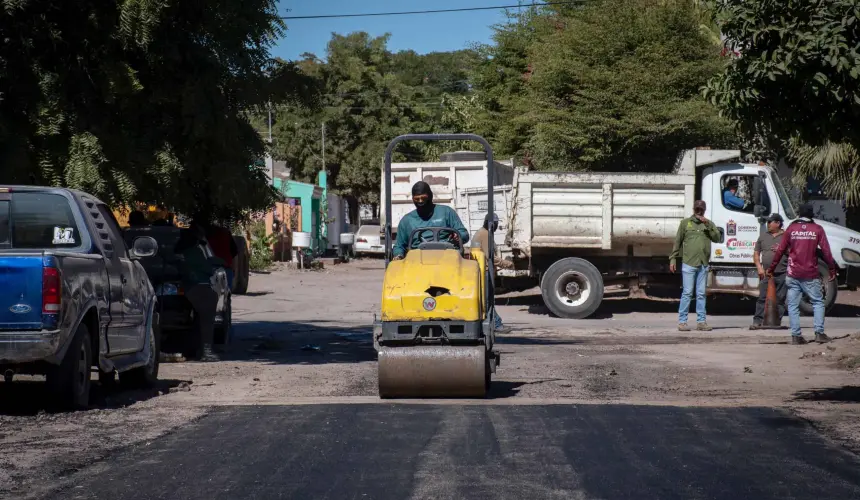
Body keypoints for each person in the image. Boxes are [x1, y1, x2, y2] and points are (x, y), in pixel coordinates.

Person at [767, 203, 837, 344]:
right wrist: (831, 268)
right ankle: (819, 333)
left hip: (792, 273)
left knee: (793, 305)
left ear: (799, 214)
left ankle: (796, 336)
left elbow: (780, 250)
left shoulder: (791, 228)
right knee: (818, 302)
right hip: (810, 274)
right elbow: (826, 251)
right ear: (811, 214)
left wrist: (772, 268)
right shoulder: (817, 229)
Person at [669, 200, 722, 331]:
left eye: (701, 210)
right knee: (687, 293)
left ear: (704, 210)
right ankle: (682, 322)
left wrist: (708, 224)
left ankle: (701, 322)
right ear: (693, 210)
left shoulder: (709, 224)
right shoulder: (685, 223)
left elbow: (717, 238)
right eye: (697, 209)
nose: (699, 212)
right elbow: (677, 242)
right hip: (689, 263)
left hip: (703, 263)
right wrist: (673, 259)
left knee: (701, 294)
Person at [175, 221, 224, 360]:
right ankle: (206, 352)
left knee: (199, 321)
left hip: (191, 287)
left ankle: (197, 350)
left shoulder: (182, 249)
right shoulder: (195, 249)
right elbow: (206, 267)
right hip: (200, 286)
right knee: (207, 319)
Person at [392, 181, 469, 259]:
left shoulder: (446, 212)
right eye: (417, 199)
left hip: (448, 257)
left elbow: (464, 234)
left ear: (430, 196)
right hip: (417, 261)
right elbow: (399, 246)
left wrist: (458, 236)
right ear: (413, 199)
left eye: (423, 198)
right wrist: (398, 255)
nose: (420, 201)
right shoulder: (407, 221)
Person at [472, 213, 513, 333]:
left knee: (487, 300)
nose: (496, 226)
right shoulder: (485, 235)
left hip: (484, 271)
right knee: (488, 300)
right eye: (495, 224)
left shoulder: (484, 233)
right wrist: (507, 264)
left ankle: (493, 323)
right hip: (484, 272)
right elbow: (490, 257)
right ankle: (496, 324)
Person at [750, 213, 788, 329]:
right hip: (766, 273)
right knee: (762, 298)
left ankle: (776, 321)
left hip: (782, 272)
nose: (767, 224)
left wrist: (782, 249)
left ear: (777, 223)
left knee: (780, 299)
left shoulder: (787, 236)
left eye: (769, 222)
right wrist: (759, 267)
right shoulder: (763, 236)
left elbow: (794, 253)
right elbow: (756, 253)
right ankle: (758, 321)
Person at [205, 223, 239, 289]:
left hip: (211, 269)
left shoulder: (206, 235)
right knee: (227, 292)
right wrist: (233, 269)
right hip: (225, 268)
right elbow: (234, 253)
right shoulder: (226, 233)